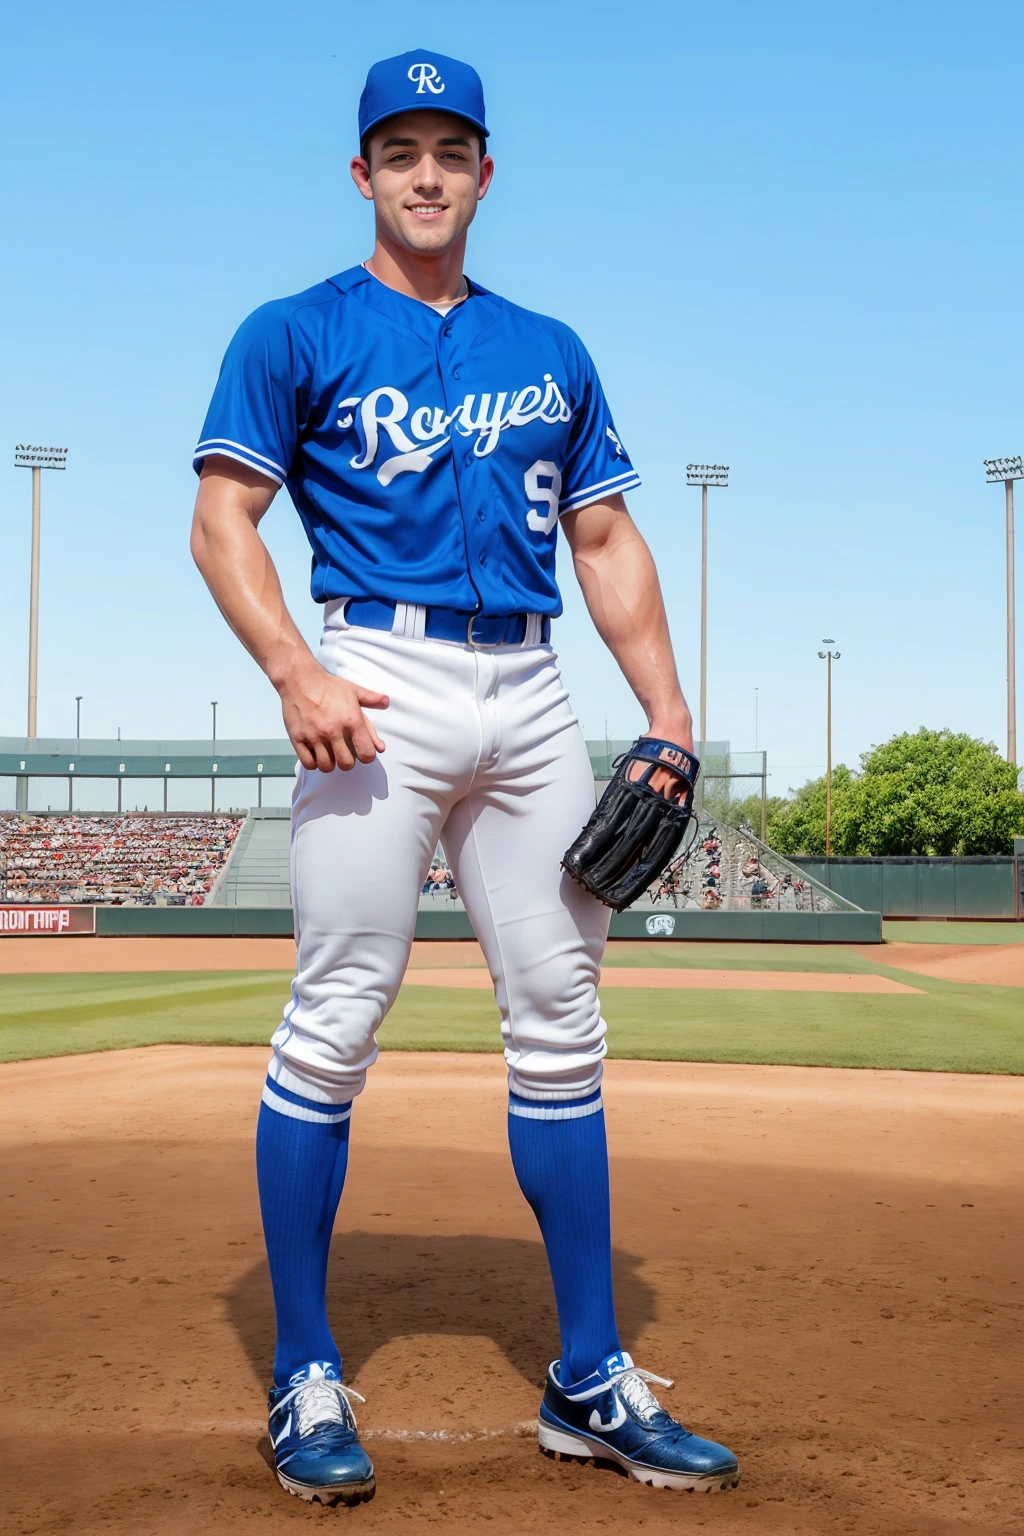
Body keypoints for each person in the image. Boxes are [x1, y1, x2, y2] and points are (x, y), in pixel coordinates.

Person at [190, 49, 739, 1506]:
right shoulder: (294, 330)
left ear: (486, 173)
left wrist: (669, 718)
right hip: (381, 679)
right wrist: (295, 673)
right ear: (361, 173)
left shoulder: (551, 348)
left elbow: (607, 544)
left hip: (536, 691)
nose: (426, 173)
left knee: (563, 1022)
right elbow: (222, 521)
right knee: (336, 1016)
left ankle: (588, 1381)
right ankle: (306, 1371)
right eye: (399, 149)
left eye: (452, 149)